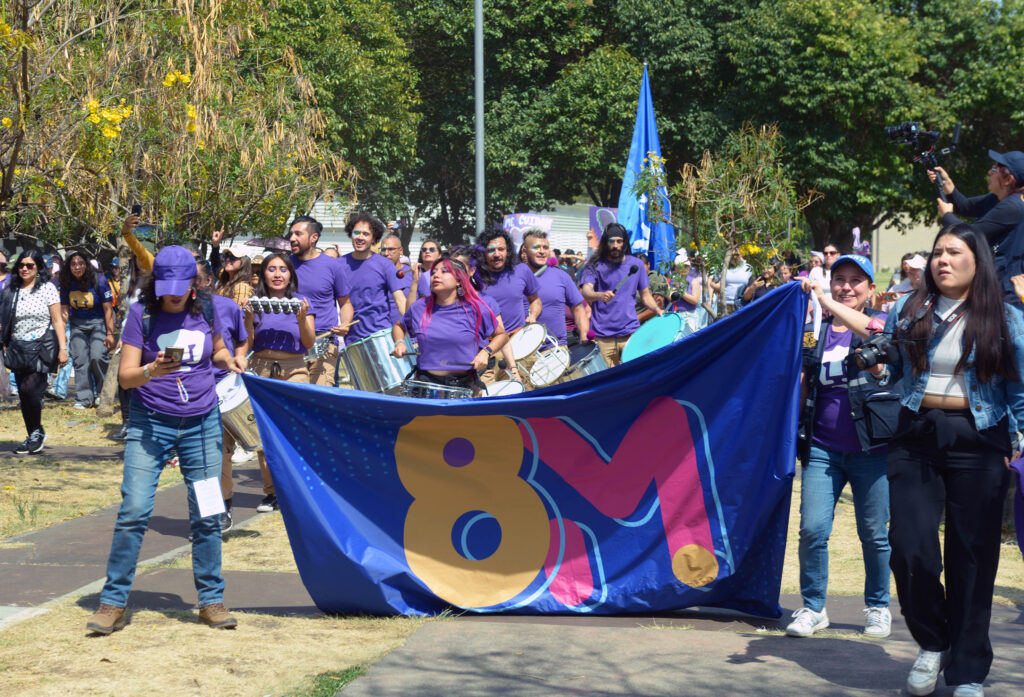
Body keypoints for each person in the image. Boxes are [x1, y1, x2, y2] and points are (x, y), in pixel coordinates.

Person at [876, 224, 1024, 697]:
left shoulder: (1005, 318)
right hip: (916, 433)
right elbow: (897, 367)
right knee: (909, 546)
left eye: (953, 252)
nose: (941, 260)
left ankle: (967, 670)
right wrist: (881, 362)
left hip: (980, 437)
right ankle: (932, 641)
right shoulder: (907, 307)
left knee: (974, 556)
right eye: (937, 252)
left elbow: (1020, 389)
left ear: (977, 261)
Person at [86, 246, 244, 635]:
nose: (173, 294)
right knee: (135, 511)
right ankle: (113, 602)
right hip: (150, 423)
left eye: (181, 286)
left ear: (195, 282)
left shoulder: (208, 310)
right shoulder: (141, 314)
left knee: (207, 513)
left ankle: (211, 600)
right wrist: (152, 370)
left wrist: (230, 361)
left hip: (202, 423)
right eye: (165, 286)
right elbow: (125, 378)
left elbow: (219, 350)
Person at [787, 254, 893, 642]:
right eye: (838, 279)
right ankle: (814, 608)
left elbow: (878, 343)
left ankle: (878, 607)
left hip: (872, 450)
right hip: (821, 448)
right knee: (813, 530)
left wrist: (825, 302)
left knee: (874, 534)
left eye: (855, 281)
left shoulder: (880, 324)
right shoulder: (813, 329)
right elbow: (799, 381)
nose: (846, 287)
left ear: (870, 289)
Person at [245, 252, 314, 514]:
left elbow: (308, 343)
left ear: (290, 275)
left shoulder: (301, 302)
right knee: (263, 434)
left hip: (294, 368)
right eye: (271, 269)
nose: (277, 274)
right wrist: (248, 318)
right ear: (263, 273)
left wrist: (301, 317)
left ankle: (300, 488)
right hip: (261, 369)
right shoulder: (254, 302)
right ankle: (272, 493)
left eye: (283, 269)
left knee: (295, 429)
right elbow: (248, 343)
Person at [393, 257, 507, 395]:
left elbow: (501, 335)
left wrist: (486, 352)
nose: (436, 275)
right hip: (425, 386)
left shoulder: (476, 308)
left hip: (465, 386)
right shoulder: (419, 307)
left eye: (444, 271)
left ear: (459, 280)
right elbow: (399, 326)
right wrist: (399, 342)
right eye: (434, 272)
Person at [195, 260, 249, 532]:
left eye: (196, 279)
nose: (190, 284)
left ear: (209, 282)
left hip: (224, 390)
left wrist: (239, 357)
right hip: (191, 394)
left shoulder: (228, 307)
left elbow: (242, 339)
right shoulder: (173, 309)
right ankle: (206, 514)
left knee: (220, 455)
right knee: (200, 459)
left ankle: (222, 506)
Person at [929, 151, 1024, 303]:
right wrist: (948, 187)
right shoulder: (998, 198)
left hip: (1007, 296)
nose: (989, 172)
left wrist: (947, 216)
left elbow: (971, 235)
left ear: (1008, 179)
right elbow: (965, 206)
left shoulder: (1013, 206)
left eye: (994, 169)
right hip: (998, 289)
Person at [0, 250, 69, 453]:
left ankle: (36, 432)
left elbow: (57, 320)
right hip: (17, 347)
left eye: (30, 265)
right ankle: (34, 433)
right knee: (23, 393)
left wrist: (63, 348)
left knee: (31, 390)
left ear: (38, 267)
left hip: (42, 346)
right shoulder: (11, 290)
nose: (24, 269)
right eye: (21, 265)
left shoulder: (47, 288)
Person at [580, 224, 663, 366]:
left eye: (619, 241)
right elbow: (586, 291)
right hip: (603, 338)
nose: (615, 245)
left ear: (624, 243)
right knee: (608, 382)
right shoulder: (594, 264)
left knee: (635, 378)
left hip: (630, 334)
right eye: (611, 241)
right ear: (605, 242)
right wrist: (599, 295)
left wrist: (657, 310)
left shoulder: (636, 264)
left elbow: (646, 296)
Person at [288, 215, 352, 386]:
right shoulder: (284, 266)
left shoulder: (333, 266)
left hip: (324, 342)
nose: (292, 238)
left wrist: (345, 323)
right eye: (291, 234)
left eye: (298, 234)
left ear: (314, 237)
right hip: (290, 342)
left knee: (320, 396)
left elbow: (345, 303)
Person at [474, 229, 541, 383]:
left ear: (508, 251)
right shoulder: (474, 275)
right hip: (489, 350)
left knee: (531, 397)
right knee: (488, 402)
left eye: (501, 249)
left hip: (522, 345)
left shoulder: (522, 270)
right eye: (491, 250)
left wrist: (533, 316)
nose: (497, 254)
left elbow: (535, 300)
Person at [338, 214, 406, 348]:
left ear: (373, 238)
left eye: (366, 234)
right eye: (356, 233)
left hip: (382, 337)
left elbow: (400, 300)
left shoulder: (385, 265)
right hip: (352, 340)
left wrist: (414, 327)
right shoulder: (338, 265)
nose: (360, 237)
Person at [60, 251, 116, 409]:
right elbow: (64, 310)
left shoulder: (99, 280)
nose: (77, 267)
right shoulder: (66, 282)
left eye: (80, 263)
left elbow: (108, 309)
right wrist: (62, 332)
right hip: (78, 324)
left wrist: (110, 333)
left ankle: (102, 394)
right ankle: (84, 398)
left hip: (99, 323)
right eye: (73, 264)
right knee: (80, 359)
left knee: (97, 356)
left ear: (86, 264)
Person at [381, 233, 412, 327]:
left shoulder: (413, 274)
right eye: (383, 250)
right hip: (382, 333)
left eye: (391, 249)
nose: (386, 253)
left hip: (408, 334)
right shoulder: (375, 275)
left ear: (401, 251)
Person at [408, 238, 442, 305]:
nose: (427, 251)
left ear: (439, 255)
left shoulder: (445, 274)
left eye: (432, 249)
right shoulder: (415, 274)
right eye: (424, 250)